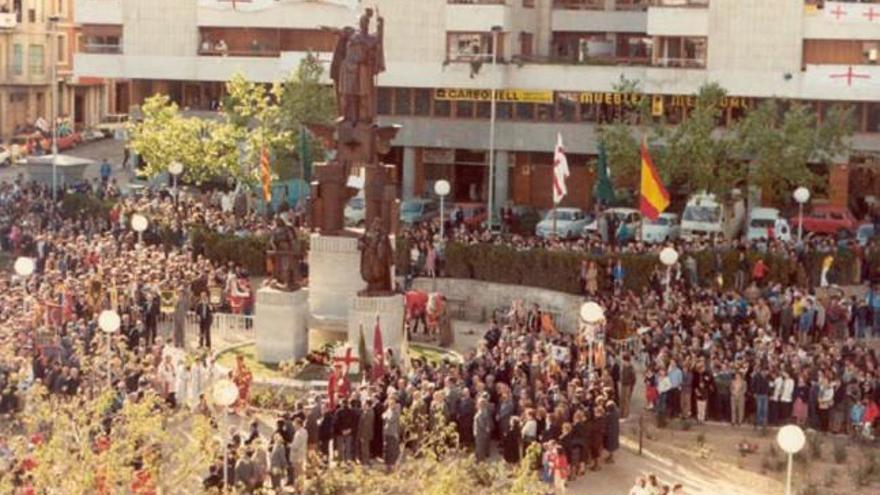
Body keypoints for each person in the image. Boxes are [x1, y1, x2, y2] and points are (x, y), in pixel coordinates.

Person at [290, 418, 307, 491]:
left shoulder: (299, 433)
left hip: (297, 456)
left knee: (297, 473)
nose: (294, 426)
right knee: (300, 472)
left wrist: (290, 445)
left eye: (295, 424)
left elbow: (295, 446)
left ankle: (298, 489)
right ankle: (299, 487)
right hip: (301, 454)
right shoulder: (304, 431)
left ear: (299, 424)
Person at [474, 397, 492, 462]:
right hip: (479, 432)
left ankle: (480, 460)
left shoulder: (482, 412)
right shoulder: (482, 411)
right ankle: (479, 458)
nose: (477, 404)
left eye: (478, 403)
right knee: (479, 446)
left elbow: (482, 424)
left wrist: (485, 429)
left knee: (480, 447)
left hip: (480, 433)